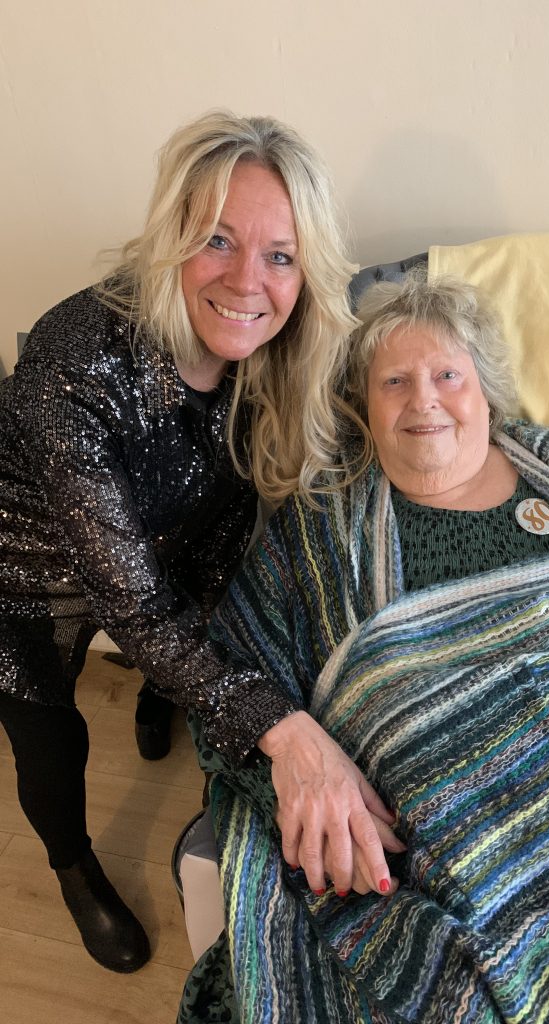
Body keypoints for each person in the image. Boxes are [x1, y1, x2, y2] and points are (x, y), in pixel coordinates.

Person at [180, 274, 549, 1023]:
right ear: (362, 410)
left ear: (486, 392)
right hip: (482, 854)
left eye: (447, 374)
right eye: (394, 382)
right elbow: (224, 678)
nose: (424, 400)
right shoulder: (316, 538)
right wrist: (296, 752)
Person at [0, 109, 397, 974]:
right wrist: (287, 735)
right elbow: (133, 604)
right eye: (217, 239)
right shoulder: (72, 363)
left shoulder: (268, 347)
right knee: (50, 741)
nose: (249, 279)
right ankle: (71, 868)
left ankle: (160, 694)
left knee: (181, 651)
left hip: (160, 553)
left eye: (280, 254)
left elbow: (222, 516)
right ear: (169, 239)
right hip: (21, 573)